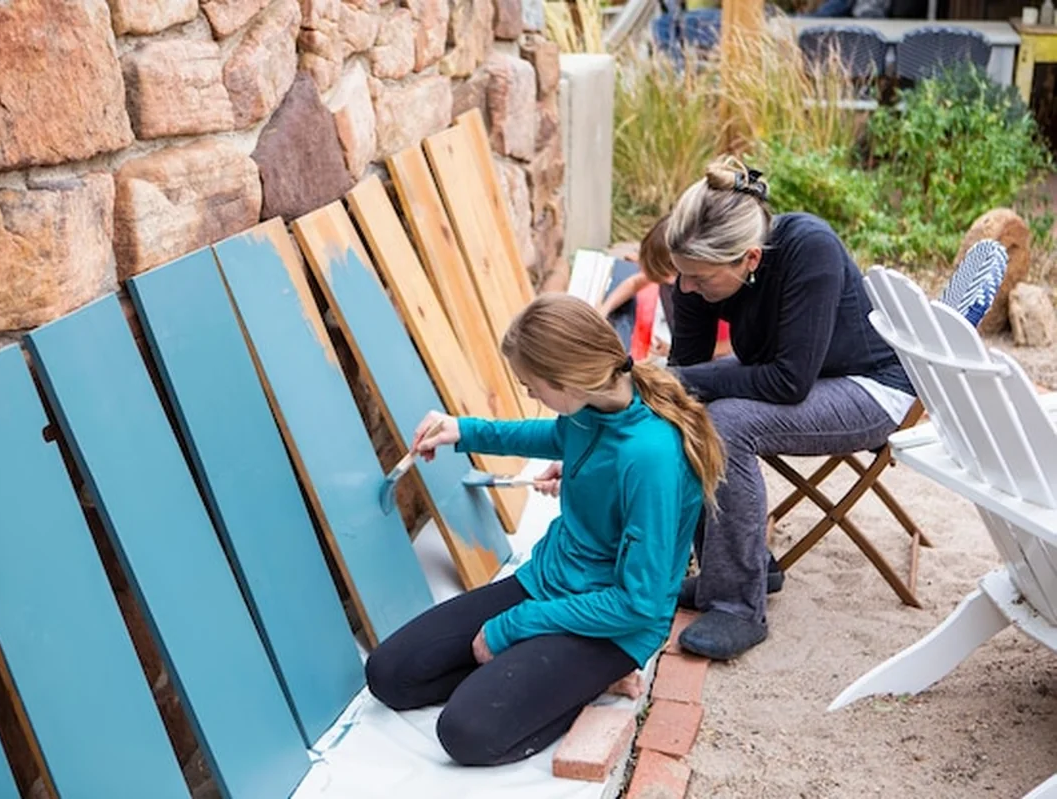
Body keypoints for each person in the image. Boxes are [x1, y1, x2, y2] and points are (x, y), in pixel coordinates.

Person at [363, 293, 725, 767]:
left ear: (569, 381)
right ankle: (540, 677)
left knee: (465, 732)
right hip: (548, 583)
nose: (531, 396)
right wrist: (462, 431)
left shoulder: (651, 456)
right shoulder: (589, 409)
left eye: (533, 387)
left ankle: (591, 679)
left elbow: (638, 602)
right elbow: (550, 435)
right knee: (389, 675)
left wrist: (511, 628)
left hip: (613, 624)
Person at [660, 155, 917, 661]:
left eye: (700, 279)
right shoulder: (694, 268)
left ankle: (737, 607)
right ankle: (737, 565)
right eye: (681, 275)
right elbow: (684, 377)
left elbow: (788, 381)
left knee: (727, 424)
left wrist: (679, 382)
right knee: (682, 414)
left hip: (870, 387)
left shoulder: (809, 247)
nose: (686, 289)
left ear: (749, 260)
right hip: (806, 375)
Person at [599, 215, 732, 361]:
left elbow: (732, 346)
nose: (664, 281)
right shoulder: (679, 277)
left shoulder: (721, 292)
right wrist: (603, 310)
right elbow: (634, 283)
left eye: (666, 276)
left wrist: (675, 350)